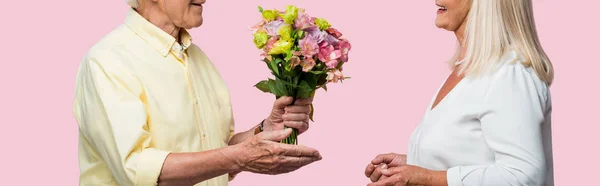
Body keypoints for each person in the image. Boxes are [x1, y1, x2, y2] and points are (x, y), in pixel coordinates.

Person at [72, 0, 322, 185]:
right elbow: (137, 171)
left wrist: (265, 129)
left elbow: (218, 149)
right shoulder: (107, 61)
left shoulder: (197, 58)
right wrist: (239, 157)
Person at [364, 0, 554, 185]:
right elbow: (472, 156)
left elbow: (523, 176)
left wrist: (425, 178)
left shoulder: (509, 74)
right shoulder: (470, 72)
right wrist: (413, 166)